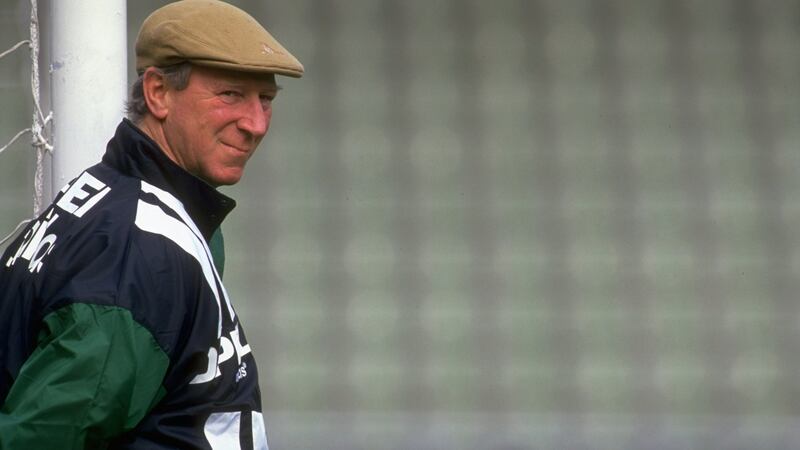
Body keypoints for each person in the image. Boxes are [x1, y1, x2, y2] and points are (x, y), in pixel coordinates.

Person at [0, 1, 303, 448]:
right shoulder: (140, 248)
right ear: (158, 92)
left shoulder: (108, 199)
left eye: (266, 100)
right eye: (231, 95)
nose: (256, 124)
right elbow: (43, 436)